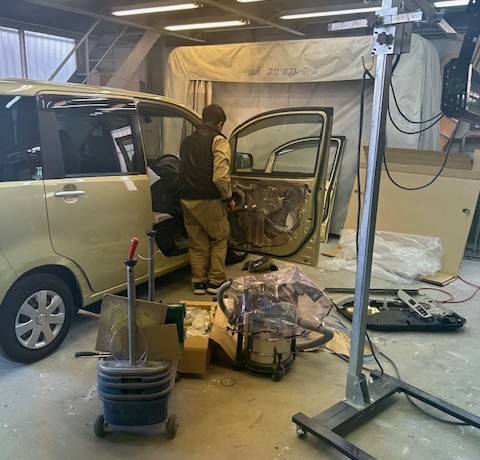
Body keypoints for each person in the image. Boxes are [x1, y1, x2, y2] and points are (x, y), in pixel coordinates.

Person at [179, 104, 235, 295]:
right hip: (209, 199)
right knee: (219, 238)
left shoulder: (187, 141)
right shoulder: (219, 140)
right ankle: (216, 282)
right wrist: (228, 197)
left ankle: (199, 282)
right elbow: (220, 176)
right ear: (220, 123)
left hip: (186, 198)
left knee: (197, 241)